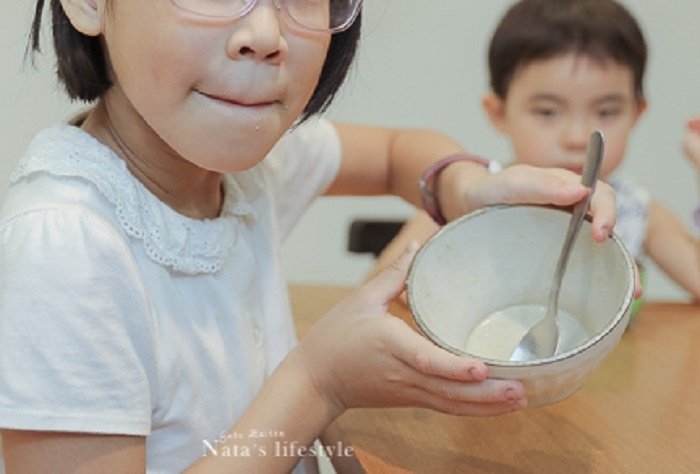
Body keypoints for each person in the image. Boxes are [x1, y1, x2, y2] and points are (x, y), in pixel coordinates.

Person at [0, 0, 622, 472]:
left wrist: (467, 188)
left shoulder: (243, 169)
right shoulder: (65, 247)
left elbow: (397, 154)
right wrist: (318, 385)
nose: (266, 35)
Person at [373, 0, 699, 308]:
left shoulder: (635, 211)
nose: (577, 138)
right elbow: (379, 291)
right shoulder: (467, 198)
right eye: (547, 112)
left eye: (606, 112)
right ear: (498, 113)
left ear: (637, 114)